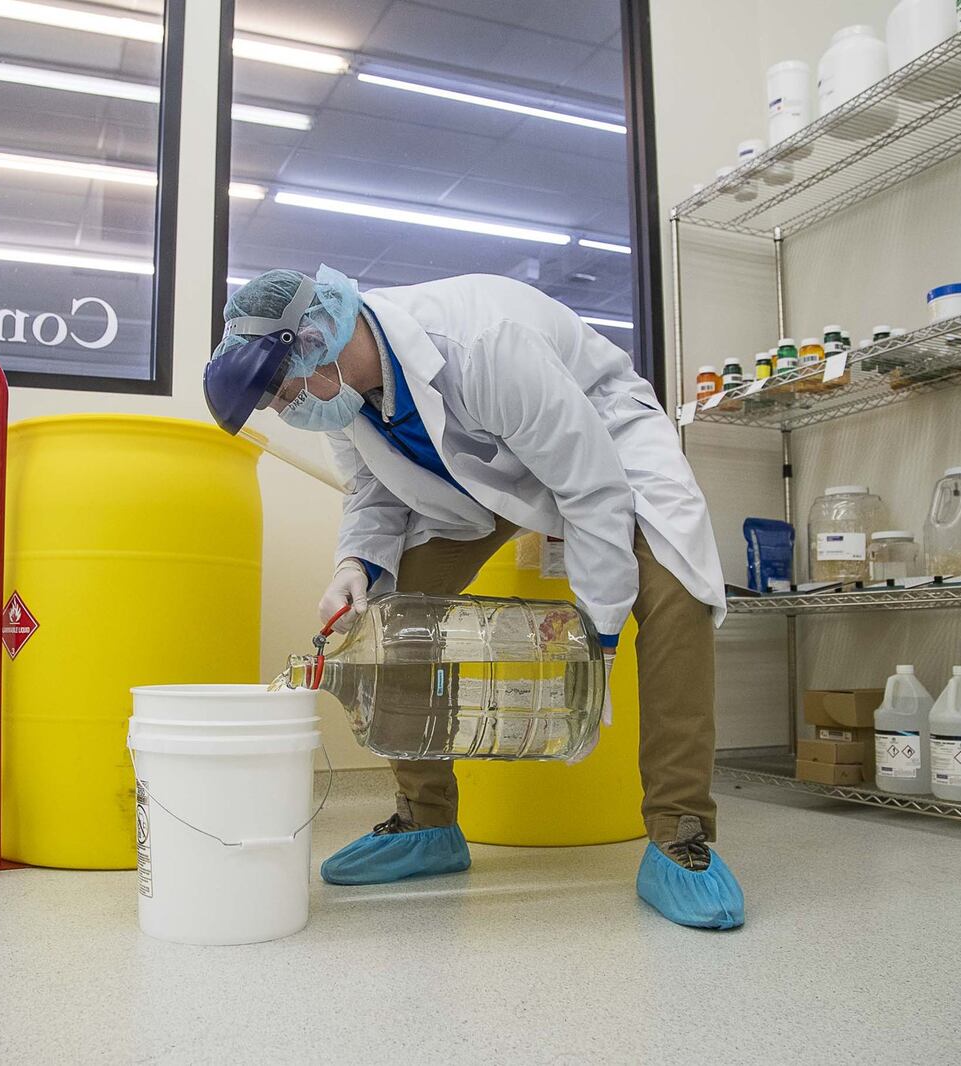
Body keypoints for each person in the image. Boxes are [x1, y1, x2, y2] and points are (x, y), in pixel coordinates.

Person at [202, 265, 742, 930]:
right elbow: (373, 489)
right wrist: (356, 564)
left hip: (602, 441)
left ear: (318, 340)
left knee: (676, 594)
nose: (286, 410)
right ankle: (426, 823)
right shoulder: (341, 398)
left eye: (281, 393)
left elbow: (591, 490)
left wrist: (596, 649)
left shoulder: (483, 342)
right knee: (395, 613)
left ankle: (678, 833)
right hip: (479, 480)